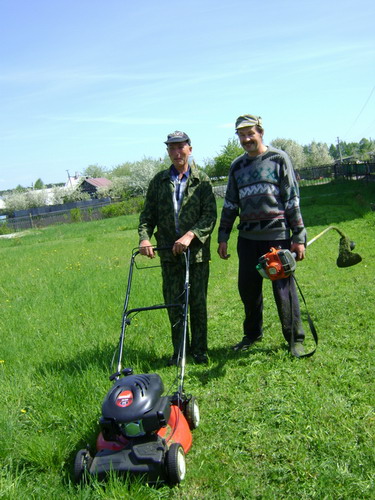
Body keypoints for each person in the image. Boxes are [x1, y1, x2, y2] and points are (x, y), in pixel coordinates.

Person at [217, 114, 306, 355]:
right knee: (248, 289)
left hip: (276, 238)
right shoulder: (237, 166)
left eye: (250, 133)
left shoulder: (279, 159)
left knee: (283, 290)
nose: (246, 138)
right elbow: (230, 203)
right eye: (241, 135)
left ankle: (294, 339)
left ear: (260, 132)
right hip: (247, 239)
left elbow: (292, 199)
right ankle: (252, 334)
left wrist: (298, 237)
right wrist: (223, 236)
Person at [138, 131, 217, 365]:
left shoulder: (202, 181)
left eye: (180, 147)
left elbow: (209, 216)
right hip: (169, 256)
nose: (176, 152)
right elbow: (147, 216)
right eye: (171, 148)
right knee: (175, 304)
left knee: (197, 303)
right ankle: (180, 351)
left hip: (196, 255)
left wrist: (190, 236)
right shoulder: (159, 181)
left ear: (189, 149)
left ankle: (200, 350)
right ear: (168, 152)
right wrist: (144, 238)